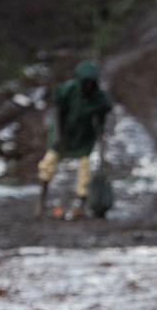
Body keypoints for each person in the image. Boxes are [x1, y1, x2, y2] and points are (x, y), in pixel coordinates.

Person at [35, 60, 113, 220]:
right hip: (64, 132)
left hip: (83, 137)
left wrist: (102, 145)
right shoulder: (69, 90)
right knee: (48, 163)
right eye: (86, 83)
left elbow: (101, 121)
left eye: (91, 83)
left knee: (84, 168)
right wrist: (57, 135)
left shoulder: (98, 97)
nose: (88, 86)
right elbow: (58, 110)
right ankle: (41, 201)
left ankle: (81, 205)